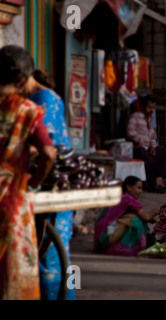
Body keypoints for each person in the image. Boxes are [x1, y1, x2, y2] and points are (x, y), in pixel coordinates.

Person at [0, 45, 56, 300]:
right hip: (11, 202)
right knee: (14, 273)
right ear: (23, 80)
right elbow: (48, 153)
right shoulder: (26, 110)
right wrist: (34, 182)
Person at [23, 69, 75, 300]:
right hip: (43, 184)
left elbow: (44, 149)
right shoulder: (35, 99)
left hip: (51, 187)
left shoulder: (45, 99)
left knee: (51, 265)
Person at [94, 176, 160, 256]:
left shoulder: (120, 196)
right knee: (135, 220)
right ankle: (126, 247)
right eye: (138, 188)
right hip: (107, 234)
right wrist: (154, 212)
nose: (140, 191)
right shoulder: (127, 199)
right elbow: (146, 217)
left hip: (101, 233)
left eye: (141, 189)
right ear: (128, 187)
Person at [127, 95, 166, 193]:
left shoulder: (148, 120)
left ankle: (159, 178)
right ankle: (153, 185)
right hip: (139, 147)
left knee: (165, 154)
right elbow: (130, 131)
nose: (151, 110)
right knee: (149, 160)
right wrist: (141, 141)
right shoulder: (136, 116)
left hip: (148, 148)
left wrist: (152, 146)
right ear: (142, 107)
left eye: (153, 108)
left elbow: (153, 136)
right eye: (149, 107)